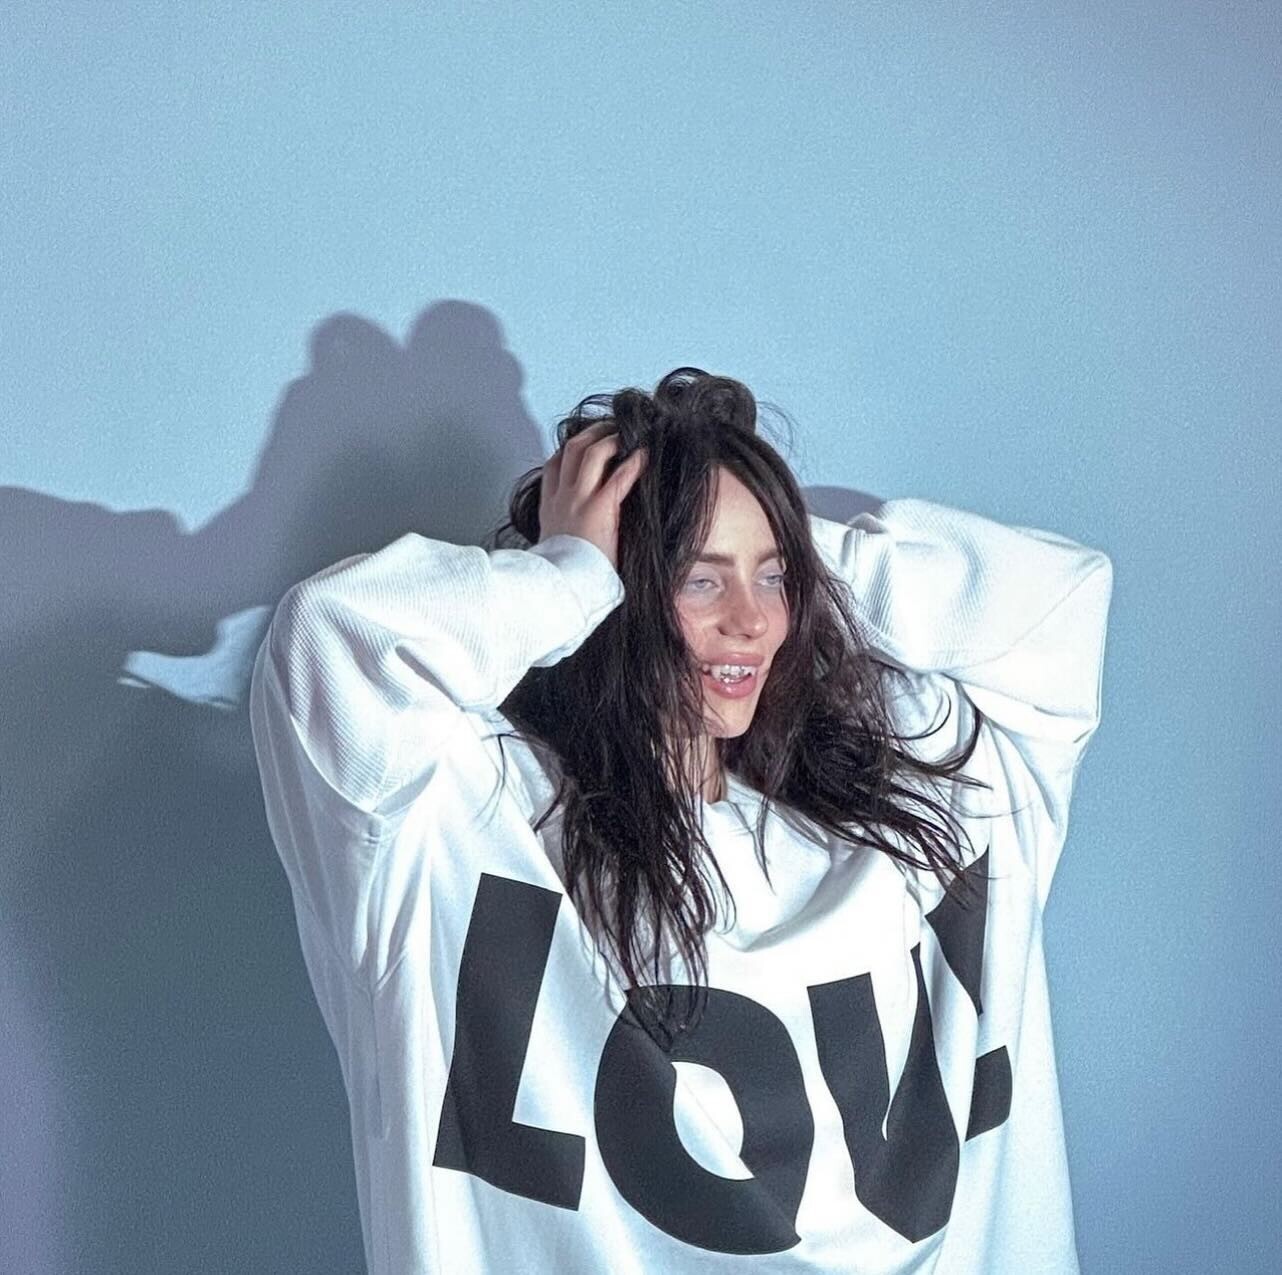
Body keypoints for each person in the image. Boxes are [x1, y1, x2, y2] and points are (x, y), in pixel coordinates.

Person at [248, 367, 1113, 1274]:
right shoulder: (460, 821)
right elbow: (325, 641)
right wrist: (571, 572)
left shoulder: (906, 806)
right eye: (701, 580)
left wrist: (776, 531)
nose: (752, 621)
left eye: (772, 577)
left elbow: (1064, 597)